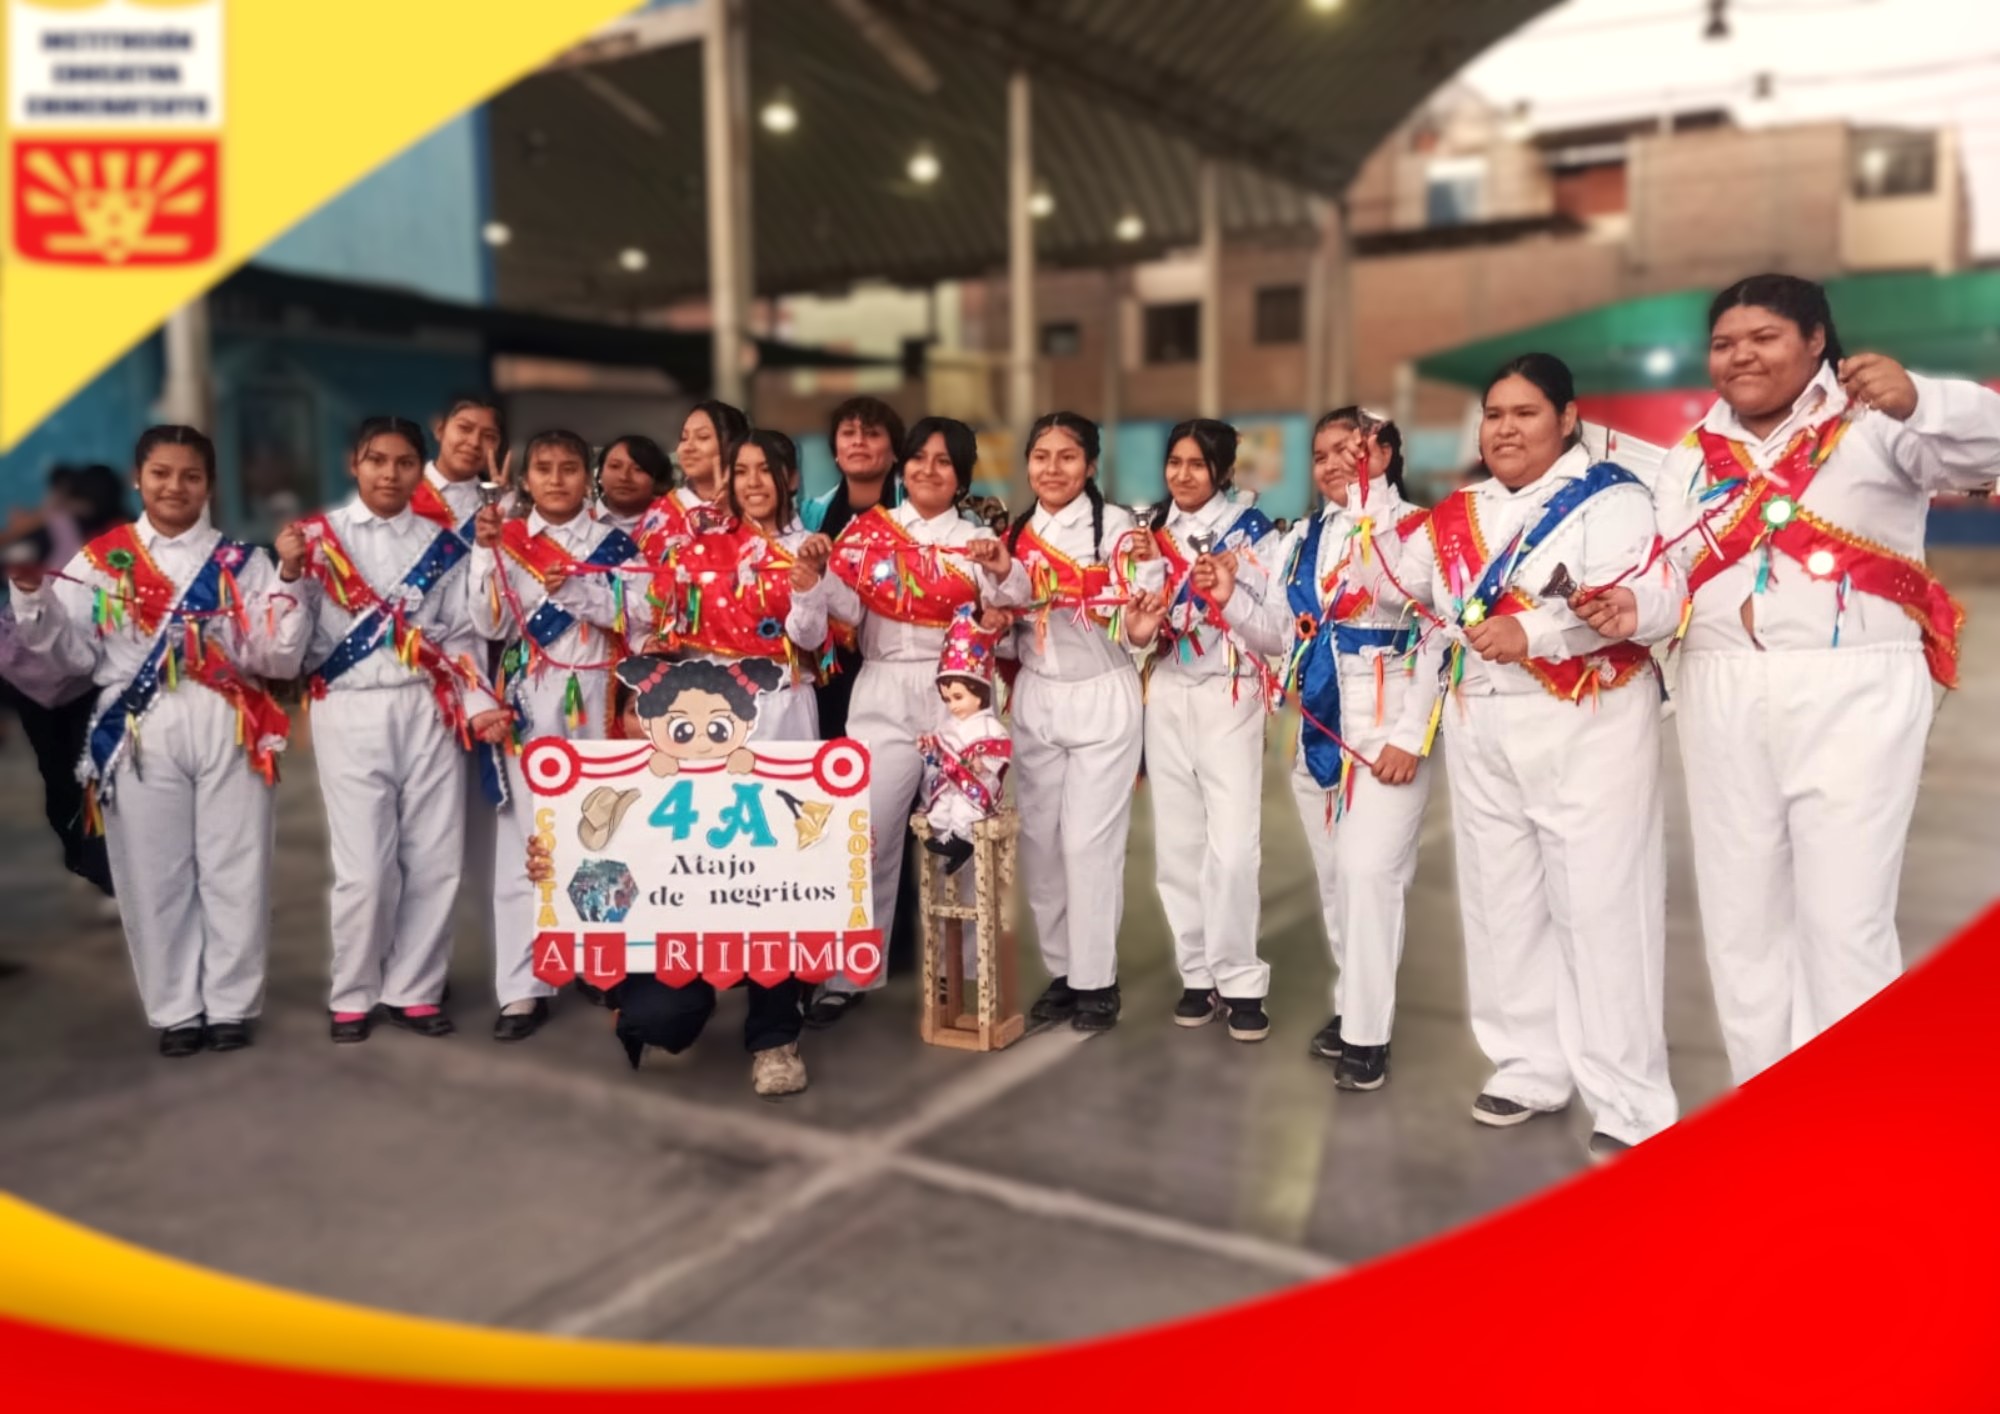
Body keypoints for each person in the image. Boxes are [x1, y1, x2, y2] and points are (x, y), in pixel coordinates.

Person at [1628, 274, 2000, 1084]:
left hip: (1854, 687)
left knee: (1844, 920)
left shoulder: (1879, 423)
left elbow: (1992, 445)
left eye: (1763, 337)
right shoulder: (1691, 457)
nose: (1739, 356)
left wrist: (1923, 401)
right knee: (1741, 920)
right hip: (1720, 685)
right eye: (1724, 344)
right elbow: (1668, 575)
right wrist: (1625, 610)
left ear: (1816, 341)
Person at [1396, 354, 1682, 1161]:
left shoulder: (1615, 498)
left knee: (1602, 903)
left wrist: (1545, 632)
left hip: (1585, 717)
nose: (1506, 429)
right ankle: (1528, 1063)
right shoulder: (1458, 512)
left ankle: (1629, 1099)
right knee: (1500, 898)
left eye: (1525, 413)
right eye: (1494, 414)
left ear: (1566, 418)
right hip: (1480, 718)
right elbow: (1395, 580)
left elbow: (1648, 597)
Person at [7, 427, 309, 1055]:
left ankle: (230, 1004)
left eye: (191, 476)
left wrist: (287, 576)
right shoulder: (99, 560)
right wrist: (33, 601)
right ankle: (176, 1009)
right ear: (138, 478)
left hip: (230, 720)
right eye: (162, 474)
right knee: (153, 873)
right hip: (138, 728)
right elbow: (70, 658)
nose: (176, 487)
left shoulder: (244, 563)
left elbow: (274, 658)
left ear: (209, 484)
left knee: (235, 868)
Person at [1211, 410, 1442, 1089]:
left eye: (1353, 448)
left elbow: (1437, 636)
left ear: (1388, 451)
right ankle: (1352, 1008)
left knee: (1371, 873)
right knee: (1339, 881)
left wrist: (1410, 735)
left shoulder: (1419, 531)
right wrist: (1227, 602)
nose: (1336, 462)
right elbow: (1283, 635)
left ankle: (1368, 1036)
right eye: (1322, 454)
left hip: (1386, 728)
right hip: (1318, 728)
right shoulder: (1302, 538)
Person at [296, 417, 511, 1044]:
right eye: (376, 460)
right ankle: (353, 991)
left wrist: (476, 703)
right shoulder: (316, 540)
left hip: (429, 705)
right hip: (350, 705)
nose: (389, 474)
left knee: (434, 856)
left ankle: (415, 989)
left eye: (403, 463)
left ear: (419, 470)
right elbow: (293, 636)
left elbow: (464, 634)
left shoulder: (444, 543)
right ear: (353, 464)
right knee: (364, 865)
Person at [786, 416, 1002, 1027]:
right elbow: (849, 610)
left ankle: (965, 977)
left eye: (943, 461)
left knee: (957, 838)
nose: (928, 470)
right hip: (881, 687)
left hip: (956, 695)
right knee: (869, 834)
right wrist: (819, 575)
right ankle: (850, 973)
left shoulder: (978, 540)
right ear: (903, 466)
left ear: (962, 475)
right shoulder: (869, 531)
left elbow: (1000, 611)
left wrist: (998, 577)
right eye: (919, 458)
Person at [976, 412, 1151, 1033]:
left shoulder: (1122, 531)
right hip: (1038, 699)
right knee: (1042, 844)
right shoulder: (1016, 533)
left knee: (1088, 845)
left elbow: (1137, 610)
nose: (1052, 469)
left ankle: (1097, 980)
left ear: (1091, 465)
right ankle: (1064, 971)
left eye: (1067, 456)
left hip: (1103, 695)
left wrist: (1141, 616)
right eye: (1041, 456)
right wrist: (998, 597)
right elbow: (1006, 607)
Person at [470, 428, 636, 1042]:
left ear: (587, 475)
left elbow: (638, 616)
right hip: (533, 698)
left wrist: (579, 588)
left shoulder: (615, 543)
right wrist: (488, 553)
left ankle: (602, 964)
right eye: (544, 468)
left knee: (601, 834)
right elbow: (482, 619)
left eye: (571, 467)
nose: (558, 478)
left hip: (599, 694)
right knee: (524, 846)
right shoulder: (503, 539)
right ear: (528, 480)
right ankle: (523, 988)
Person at [1120, 419, 1282, 1041]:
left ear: (1220, 470)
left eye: (1195, 464)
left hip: (1230, 692)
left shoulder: (1255, 536)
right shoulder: (1148, 537)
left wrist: (1230, 591)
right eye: (1174, 462)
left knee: (1235, 847)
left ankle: (1241, 978)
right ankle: (1196, 973)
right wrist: (1142, 613)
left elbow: (1272, 630)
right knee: (1179, 845)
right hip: (1166, 691)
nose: (1182, 475)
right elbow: (1137, 632)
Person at [0, 463, 129, 900]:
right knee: (89, 775)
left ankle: (87, 858)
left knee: (61, 775)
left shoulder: (50, 529)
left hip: (45, 680)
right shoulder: (126, 536)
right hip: (80, 678)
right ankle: (96, 864)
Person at [917, 605, 1011, 876]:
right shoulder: (948, 726)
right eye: (947, 699)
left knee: (962, 808)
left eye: (958, 698)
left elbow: (1000, 749)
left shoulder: (989, 726)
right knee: (944, 804)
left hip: (977, 784)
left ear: (979, 692)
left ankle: (960, 841)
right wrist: (929, 749)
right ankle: (948, 840)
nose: (953, 706)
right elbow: (940, 755)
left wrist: (982, 764)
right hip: (952, 782)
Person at [635, 401, 751, 563]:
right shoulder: (662, 512)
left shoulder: (754, 507)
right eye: (684, 438)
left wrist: (730, 513)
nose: (688, 447)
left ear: (733, 446)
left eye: (702, 437)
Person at [594, 434, 674, 539]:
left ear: (658, 480)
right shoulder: (577, 517)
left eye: (638, 469)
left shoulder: (675, 525)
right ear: (600, 473)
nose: (624, 477)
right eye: (615, 466)